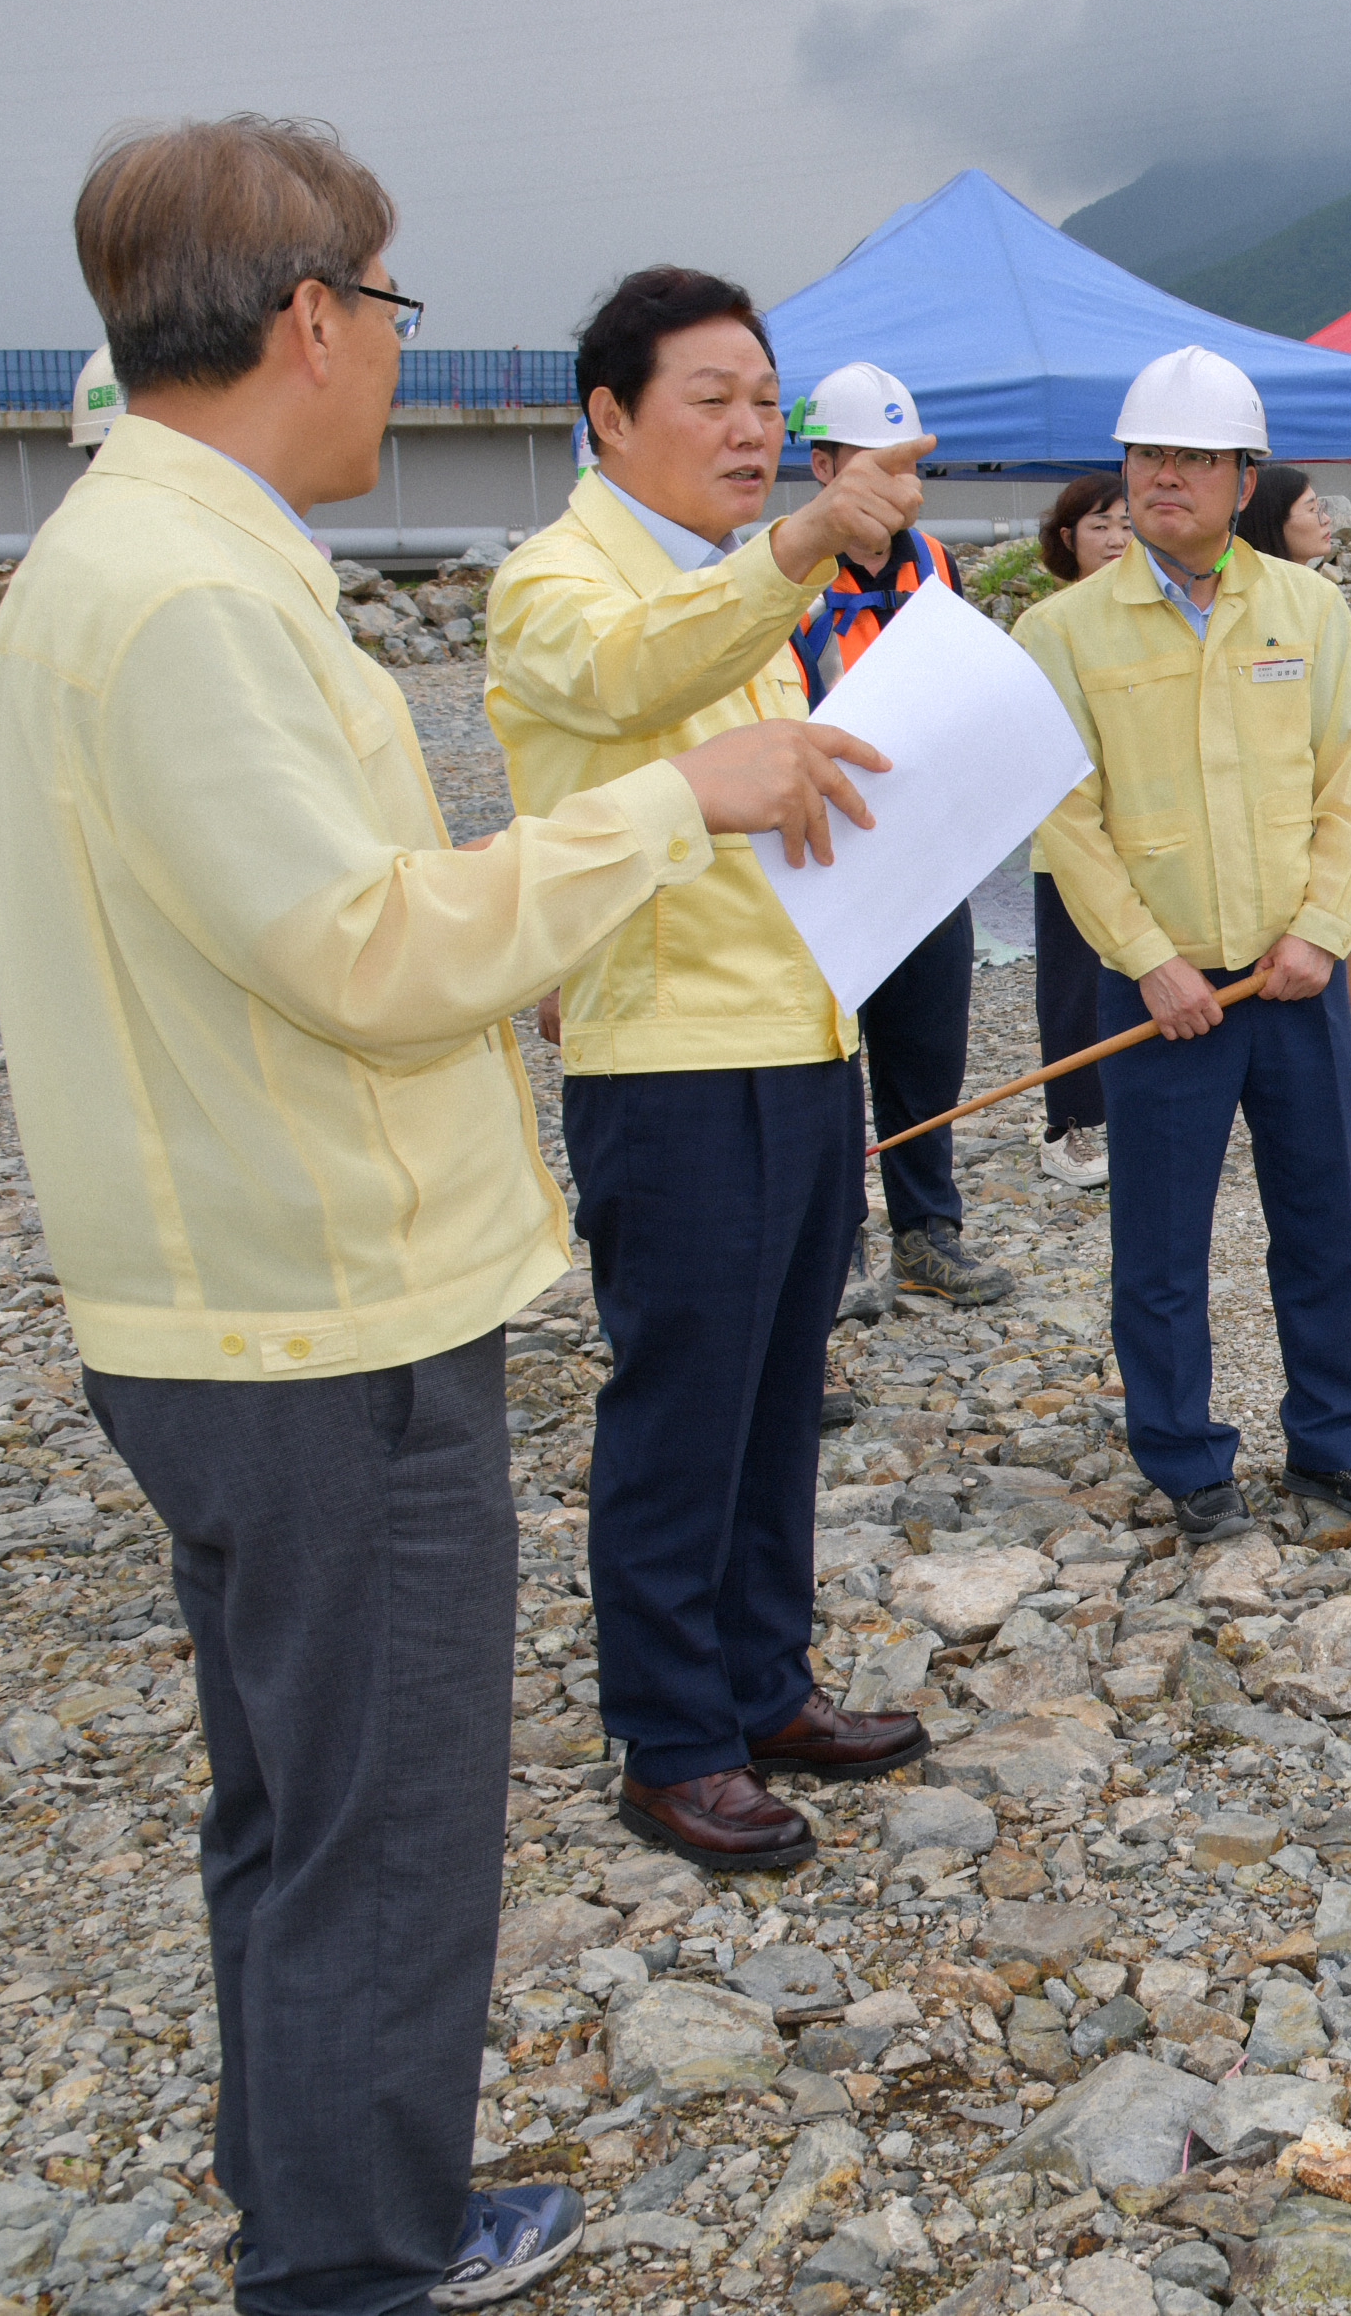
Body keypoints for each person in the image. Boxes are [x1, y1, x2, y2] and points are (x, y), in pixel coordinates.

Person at [0, 116, 889, 2316]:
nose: (399, 349)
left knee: (300, 1815)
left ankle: (321, 2200)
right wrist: (673, 807)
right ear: (308, 316)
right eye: (388, 308)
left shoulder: (156, 556)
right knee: (378, 1831)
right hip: (318, 1311)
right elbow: (368, 949)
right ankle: (352, 2260)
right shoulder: (192, 590)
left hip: (256, 1284)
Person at [488, 266, 943, 1875]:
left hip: (803, 1035)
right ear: (609, 414)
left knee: (777, 1389)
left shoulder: (732, 583)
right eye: (713, 398)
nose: (754, 430)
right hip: (672, 1059)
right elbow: (630, 683)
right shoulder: (561, 581)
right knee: (681, 1398)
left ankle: (765, 1681)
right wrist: (803, 543)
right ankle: (670, 1735)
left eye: (768, 400)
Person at [1018, 346, 1351, 1541]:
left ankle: (1330, 1445)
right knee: (1158, 1246)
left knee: (1321, 1227)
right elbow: (1065, 817)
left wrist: (1315, 934)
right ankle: (1186, 1460)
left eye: (1195, 458)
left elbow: (1348, 783)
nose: (1165, 478)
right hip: (1162, 993)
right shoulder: (1065, 629)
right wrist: (1148, 956)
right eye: (1148, 455)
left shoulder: (1304, 606)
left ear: (1243, 479)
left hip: (1289, 983)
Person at [789, 361, 1016, 1318]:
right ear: (824, 463)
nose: (898, 489)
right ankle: (828, 1257)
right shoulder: (784, 571)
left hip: (922, 845)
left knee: (927, 1047)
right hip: (822, 848)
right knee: (825, 1060)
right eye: (872, 466)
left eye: (909, 468)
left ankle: (928, 1233)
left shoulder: (933, 559)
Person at [1232, 462, 1351, 1127]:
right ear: (1271, 515)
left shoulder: (1316, 599)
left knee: (1341, 966)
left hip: (1330, 818)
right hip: (1272, 826)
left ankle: (1334, 1098)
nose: (1324, 517)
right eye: (1309, 507)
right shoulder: (1252, 607)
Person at [1026, 471, 1131, 1187]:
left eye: (1125, 523)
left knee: (1133, 973)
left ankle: (1125, 1114)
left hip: (1139, 831)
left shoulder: (1143, 616)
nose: (1117, 538)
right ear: (1068, 539)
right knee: (1072, 984)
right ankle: (1066, 1128)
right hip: (1066, 832)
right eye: (1099, 525)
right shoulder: (1047, 624)